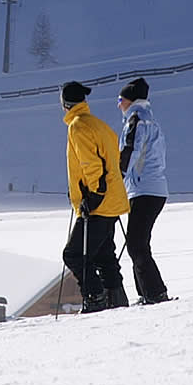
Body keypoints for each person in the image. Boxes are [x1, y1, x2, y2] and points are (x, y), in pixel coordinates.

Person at [59, 81, 131, 313]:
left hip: (98, 203)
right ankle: (116, 300)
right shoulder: (98, 124)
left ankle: (95, 299)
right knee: (103, 255)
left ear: (65, 103)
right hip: (111, 201)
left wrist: (93, 196)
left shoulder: (78, 127)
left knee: (73, 255)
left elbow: (92, 166)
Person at [117, 78, 171, 305]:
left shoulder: (136, 121)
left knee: (137, 244)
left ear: (130, 101)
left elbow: (131, 151)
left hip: (143, 189)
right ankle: (147, 293)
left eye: (120, 100)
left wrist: (117, 177)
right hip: (154, 187)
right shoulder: (151, 121)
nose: (118, 104)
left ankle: (155, 293)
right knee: (137, 243)